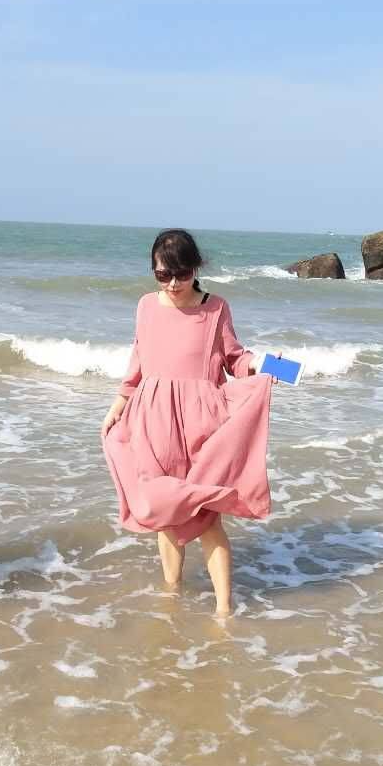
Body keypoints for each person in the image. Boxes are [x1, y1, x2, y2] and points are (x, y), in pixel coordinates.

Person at [101, 229, 276, 615]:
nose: (173, 284)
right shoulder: (146, 306)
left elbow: (234, 359)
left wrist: (264, 366)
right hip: (152, 420)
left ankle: (224, 609)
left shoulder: (216, 309)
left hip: (201, 423)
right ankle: (172, 595)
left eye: (181, 274)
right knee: (165, 513)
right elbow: (138, 361)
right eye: (163, 275)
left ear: (196, 268)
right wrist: (118, 404)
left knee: (207, 518)